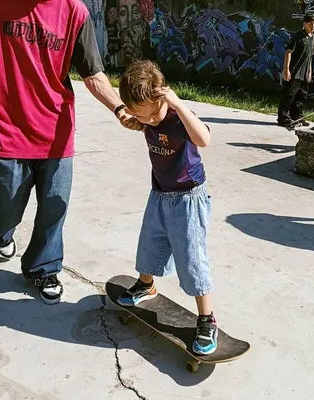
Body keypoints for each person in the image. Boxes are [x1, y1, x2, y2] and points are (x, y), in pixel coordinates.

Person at [0, 0, 142, 305]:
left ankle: (44, 267)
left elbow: (93, 72)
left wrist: (119, 109)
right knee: (2, 206)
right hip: (4, 127)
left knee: (54, 207)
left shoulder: (75, 11)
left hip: (54, 132)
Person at [116, 60, 218, 355]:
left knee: (192, 257)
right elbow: (140, 120)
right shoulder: (146, 117)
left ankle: (206, 317)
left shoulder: (176, 115)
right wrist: (129, 116)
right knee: (150, 243)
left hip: (189, 198)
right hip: (159, 193)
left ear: (163, 98)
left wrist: (178, 103)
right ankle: (146, 285)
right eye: (140, 116)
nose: (147, 121)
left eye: (152, 114)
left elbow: (205, 139)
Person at [278, 12, 314, 127]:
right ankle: (283, 118)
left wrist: (309, 71)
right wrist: (286, 69)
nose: (313, 26)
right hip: (295, 71)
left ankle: (297, 116)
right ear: (304, 24)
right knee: (289, 95)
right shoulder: (298, 36)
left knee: (301, 96)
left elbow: (310, 55)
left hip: (305, 72)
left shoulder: (312, 37)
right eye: (310, 24)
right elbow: (288, 52)